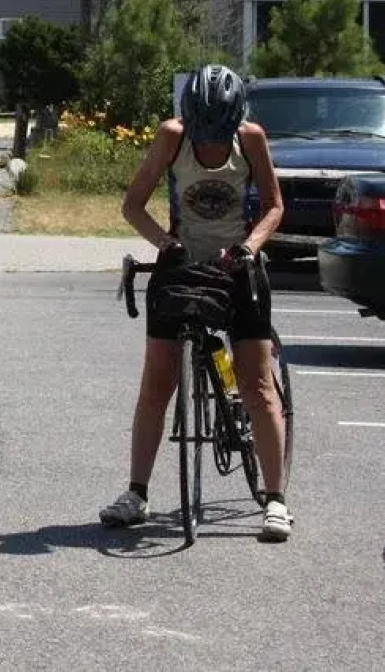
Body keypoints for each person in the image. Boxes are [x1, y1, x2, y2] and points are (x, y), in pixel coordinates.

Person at [100, 63, 292, 541]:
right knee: (156, 383)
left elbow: (274, 205)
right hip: (182, 260)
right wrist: (165, 243)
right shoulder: (171, 136)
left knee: (259, 387)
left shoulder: (251, 138)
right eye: (202, 135)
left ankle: (275, 500)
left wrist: (250, 247)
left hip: (238, 263)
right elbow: (133, 204)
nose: (208, 144)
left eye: (217, 135)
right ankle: (137, 493)